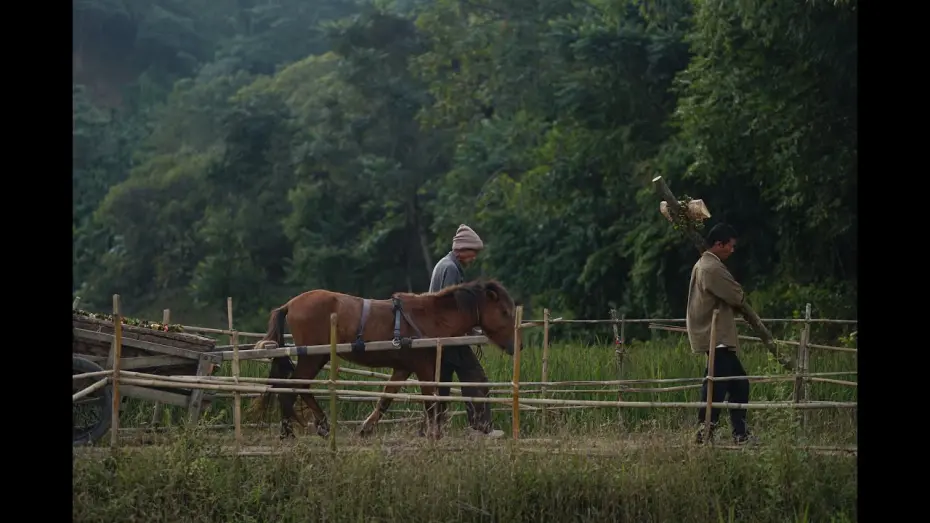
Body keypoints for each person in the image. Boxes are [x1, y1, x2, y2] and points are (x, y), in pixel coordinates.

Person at [428, 224, 505, 438]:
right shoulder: (451, 269)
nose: (473, 258)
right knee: (475, 377)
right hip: (450, 337)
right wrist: (467, 331)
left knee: (440, 384)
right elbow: (453, 307)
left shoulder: (445, 265)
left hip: (439, 336)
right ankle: (480, 428)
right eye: (473, 253)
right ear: (462, 249)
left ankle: (433, 428)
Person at [687, 223, 754, 445]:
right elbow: (736, 296)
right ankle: (705, 434)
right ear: (719, 244)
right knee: (715, 388)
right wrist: (742, 299)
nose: (732, 251)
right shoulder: (711, 268)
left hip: (717, 337)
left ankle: (738, 433)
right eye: (730, 246)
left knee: (738, 384)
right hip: (717, 338)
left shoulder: (705, 264)